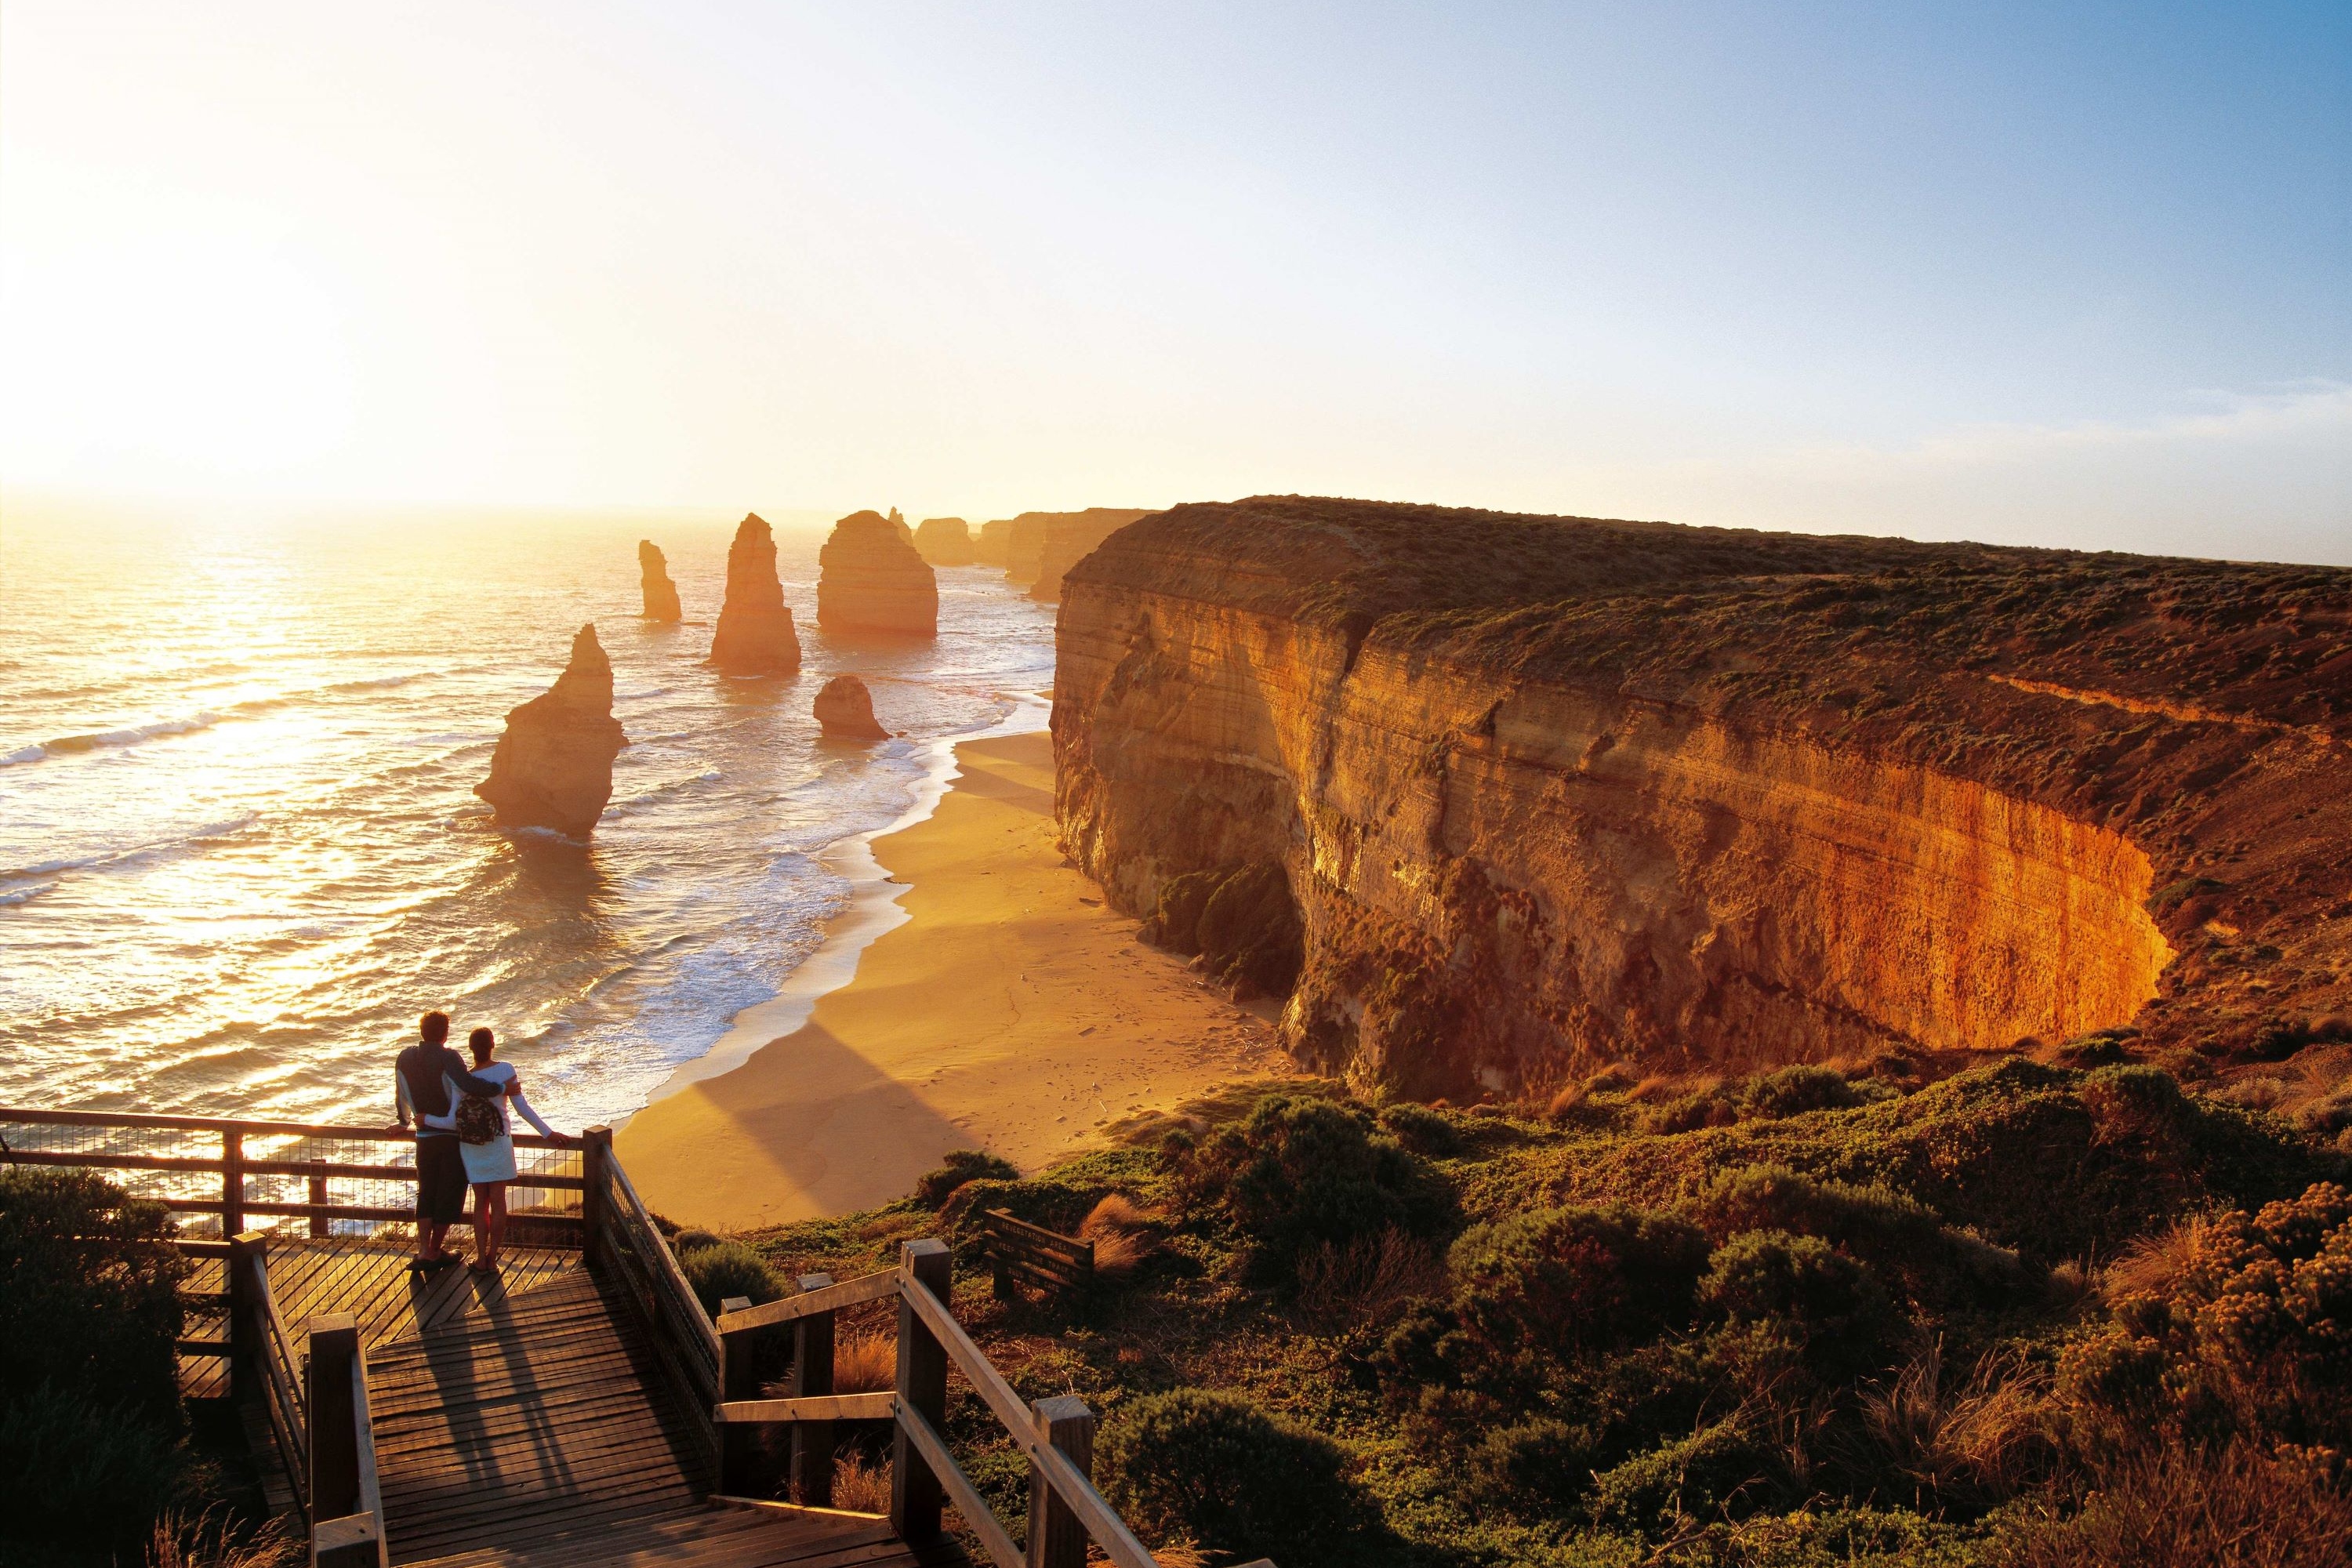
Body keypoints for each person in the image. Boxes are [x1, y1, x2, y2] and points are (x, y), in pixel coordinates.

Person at [454, 1026, 572, 1273]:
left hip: (472, 1146)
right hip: (499, 1141)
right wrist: (548, 1133)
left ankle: (480, 1258)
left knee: (480, 1203)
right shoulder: (505, 1070)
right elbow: (522, 1108)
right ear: (493, 1044)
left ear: (470, 1048)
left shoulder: (464, 1080)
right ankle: (492, 1258)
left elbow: (453, 1115)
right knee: (498, 1201)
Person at [392, 1010, 503, 1272]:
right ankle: (435, 1250)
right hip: (451, 1137)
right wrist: (500, 1088)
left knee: (426, 1192)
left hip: (424, 1136)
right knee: (449, 1193)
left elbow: (400, 1092)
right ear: (445, 1033)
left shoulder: (405, 1057)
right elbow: (468, 1084)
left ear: (422, 1031)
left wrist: (404, 1122)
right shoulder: (449, 1056)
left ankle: (424, 1250)